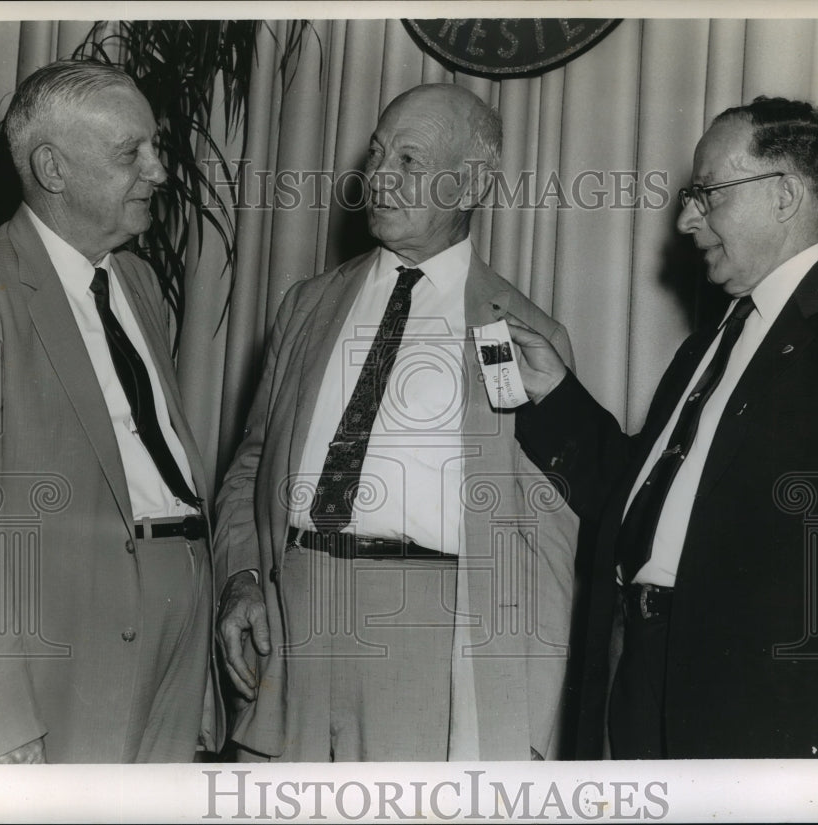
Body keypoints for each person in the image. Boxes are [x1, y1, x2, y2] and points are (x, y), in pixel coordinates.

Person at [505, 97, 818, 759]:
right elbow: (633, 502)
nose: (687, 219)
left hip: (764, 711)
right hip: (640, 678)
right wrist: (552, 393)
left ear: (785, 194)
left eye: (707, 193)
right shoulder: (710, 343)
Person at [213, 83, 579, 761]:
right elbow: (249, 465)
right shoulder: (307, 305)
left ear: (470, 182)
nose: (378, 177)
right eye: (378, 154)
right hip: (288, 632)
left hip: (427, 644)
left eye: (409, 161)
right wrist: (241, 578)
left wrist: (531, 722)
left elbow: (544, 547)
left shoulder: (518, 333)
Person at [0, 59, 222, 763]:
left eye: (153, 147)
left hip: (179, 610)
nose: (159, 170)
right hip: (67, 635)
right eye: (132, 153)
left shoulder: (137, 279)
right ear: (53, 169)